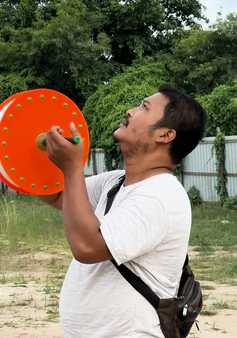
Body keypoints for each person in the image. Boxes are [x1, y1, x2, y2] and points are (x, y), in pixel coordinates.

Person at [38, 84, 206, 337]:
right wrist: (35, 151)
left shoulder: (161, 194)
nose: (130, 111)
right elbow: (58, 195)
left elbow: (87, 247)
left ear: (165, 134)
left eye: (144, 107)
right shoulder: (116, 182)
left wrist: (72, 168)